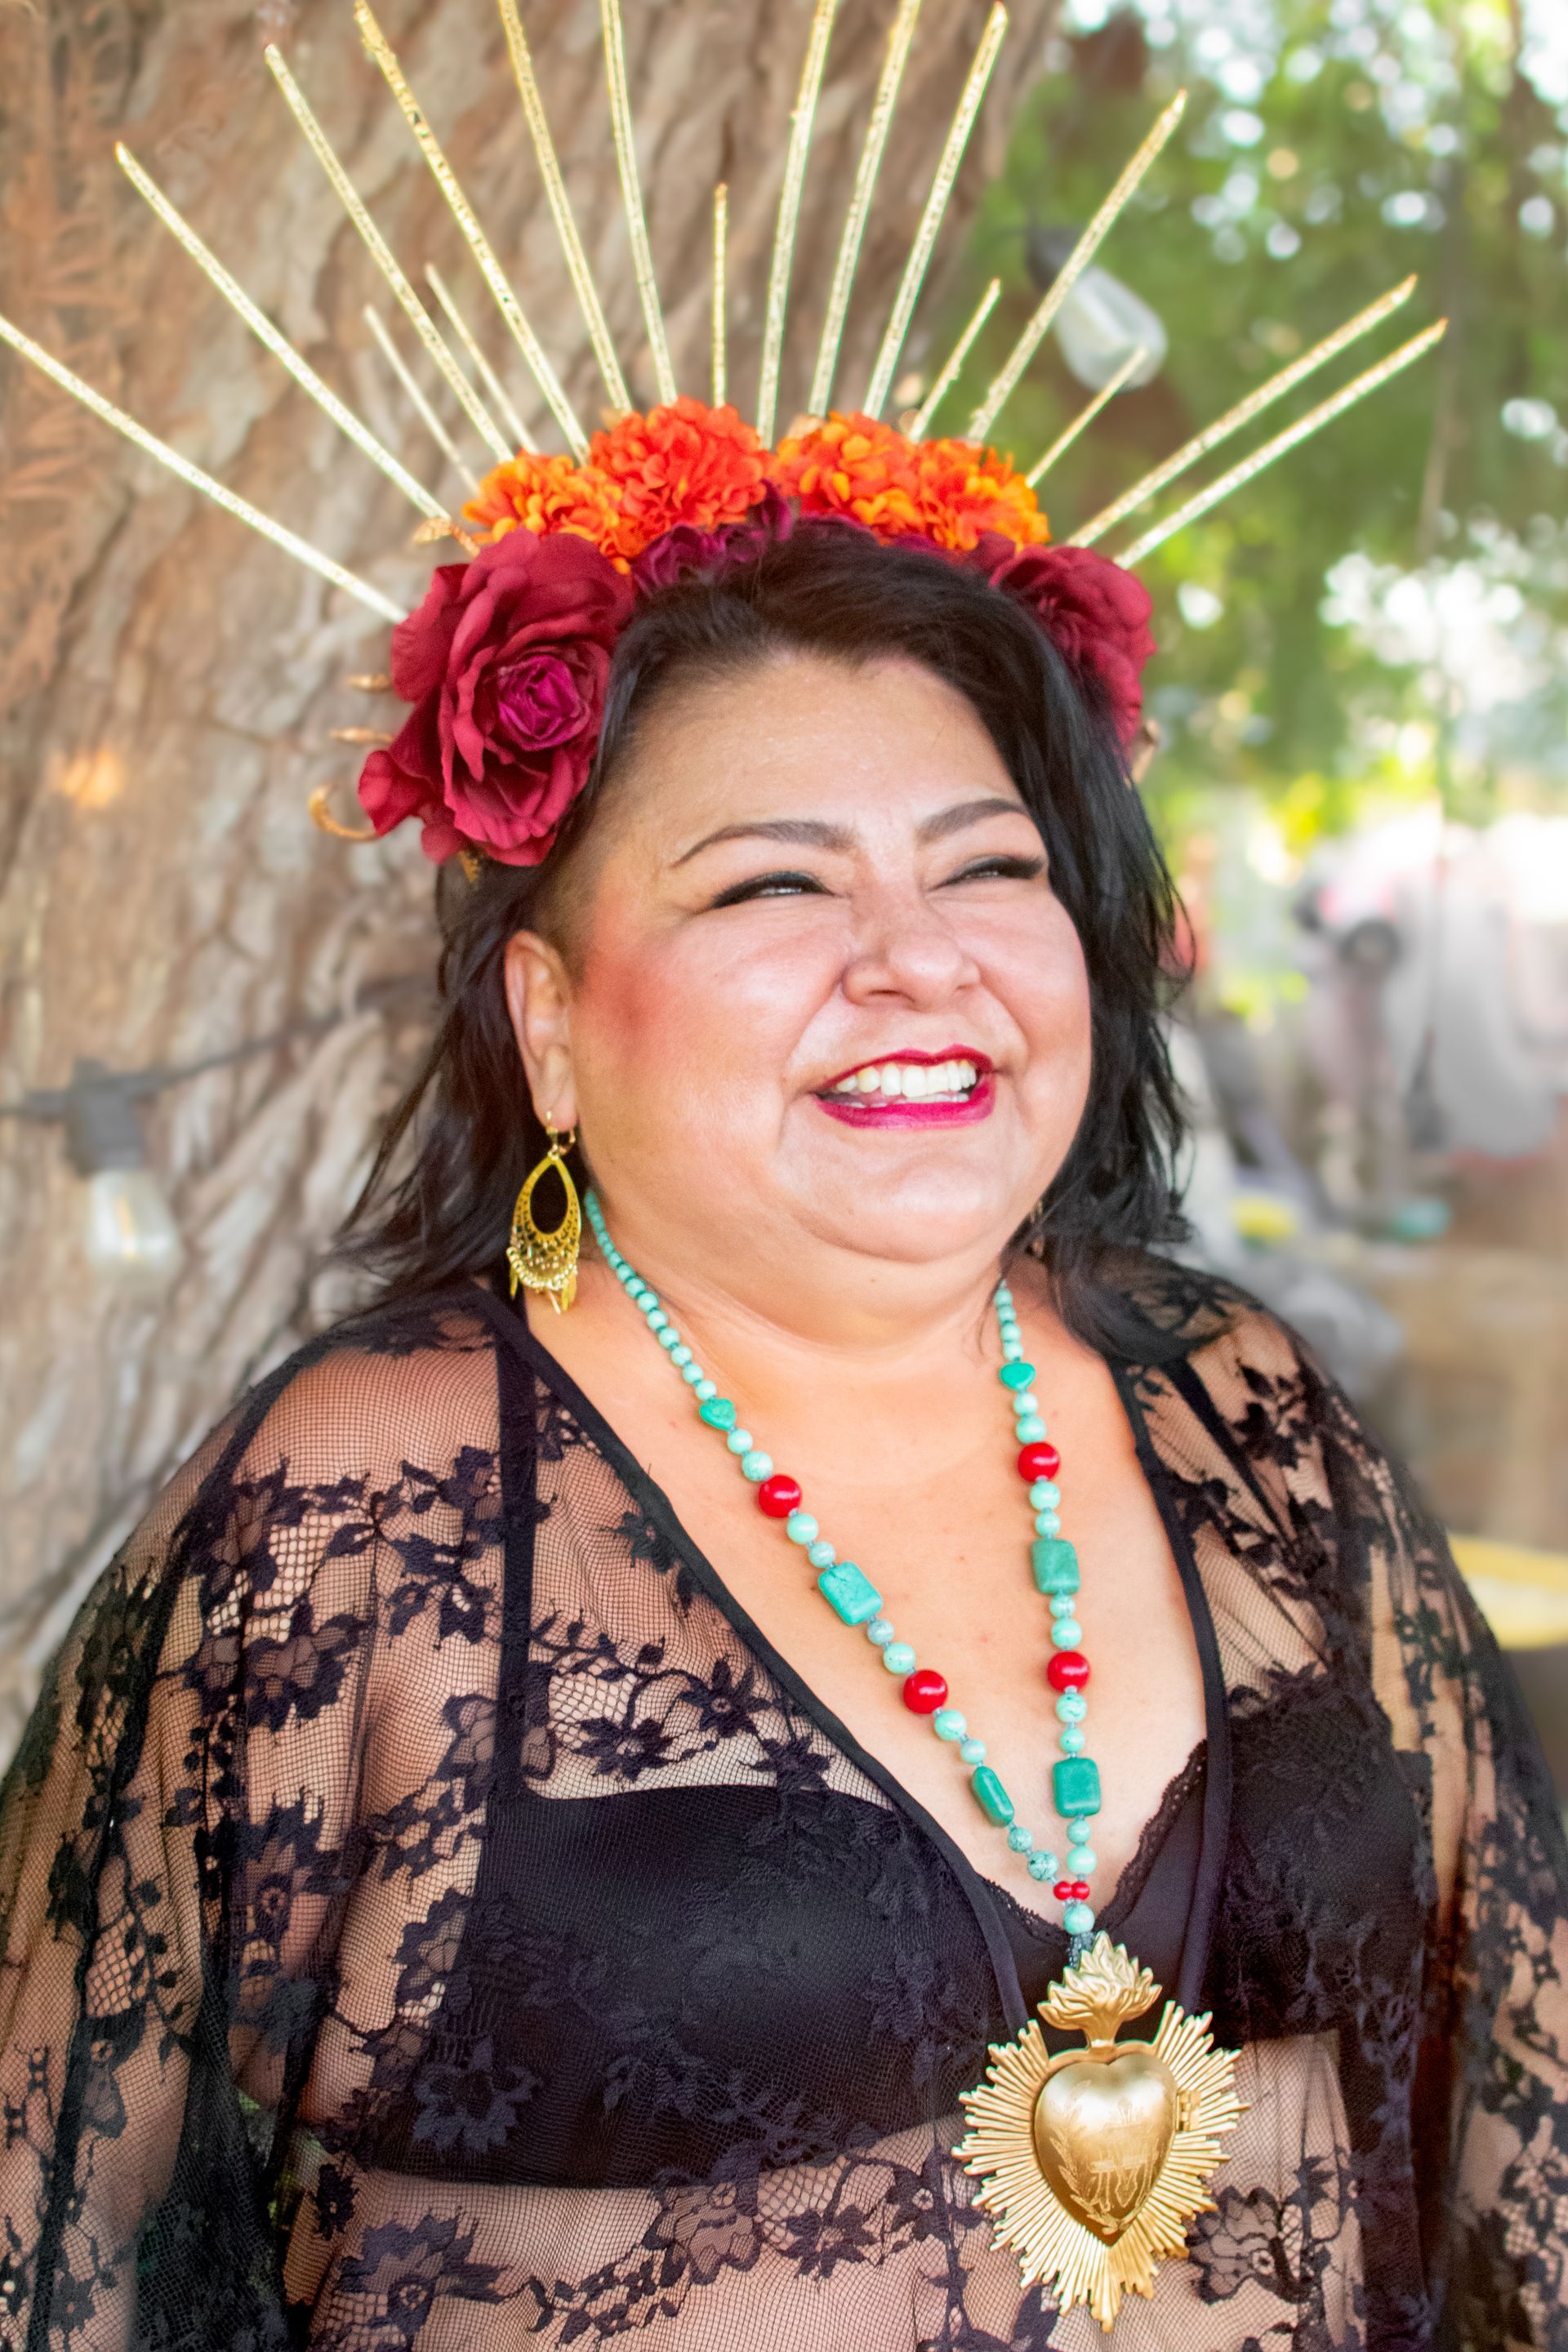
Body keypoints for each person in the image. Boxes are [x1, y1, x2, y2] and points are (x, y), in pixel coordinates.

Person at [2, 519, 1564, 2350]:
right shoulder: (366, 1500)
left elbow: (1516, 2116)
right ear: (552, 1022)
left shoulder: (1249, 1406)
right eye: (770, 890)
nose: (920, 963)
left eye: (990, 868)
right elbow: (57, 2238)